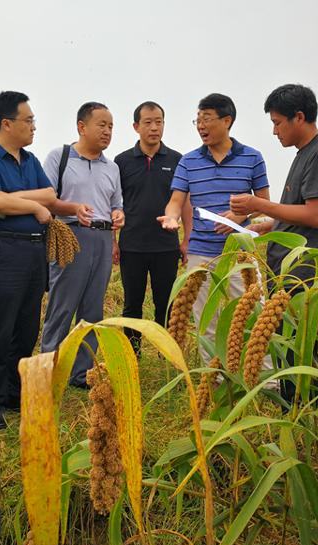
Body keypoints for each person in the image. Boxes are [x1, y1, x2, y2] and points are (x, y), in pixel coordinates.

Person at [0, 91, 56, 430]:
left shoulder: (31, 161)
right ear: (7, 123)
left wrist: (10, 198)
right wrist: (31, 206)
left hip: (34, 251)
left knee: (26, 327)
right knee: (0, 328)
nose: (34, 126)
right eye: (28, 120)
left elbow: (50, 195)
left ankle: (14, 391)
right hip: (3, 250)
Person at [159, 93, 270, 362]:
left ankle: (265, 376)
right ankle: (214, 378)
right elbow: (175, 202)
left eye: (207, 119)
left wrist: (238, 215)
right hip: (200, 252)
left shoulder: (252, 158)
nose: (201, 126)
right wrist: (171, 218)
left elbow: (264, 203)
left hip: (239, 253)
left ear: (227, 120)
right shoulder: (189, 161)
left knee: (253, 312)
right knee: (204, 318)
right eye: (197, 120)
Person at [40, 102, 124, 388]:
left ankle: (80, 373)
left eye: (111, 126)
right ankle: (47, 370)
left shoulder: (111, 168)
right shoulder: (60, 157)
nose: (107, 131)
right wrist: (73, 208)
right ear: (81, 126)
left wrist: (118, 218)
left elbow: (116, 205)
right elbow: (46, 198)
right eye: (102, 124)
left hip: (102, 238)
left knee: (93, 310)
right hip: (69, 237)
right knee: (62, 306)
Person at [230, 84, 318, 281]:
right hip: (289, 271)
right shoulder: (306, 152)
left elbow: (315, 215)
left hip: (304, 275)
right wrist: (267, 227)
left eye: (277, 123)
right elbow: (299, 211)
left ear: (299, 117)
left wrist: (257, 204)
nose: (274, 131)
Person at [113, 101, 191, 354]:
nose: (154, 128)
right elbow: (113, 203)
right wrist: (113, 242)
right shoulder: (122, 161)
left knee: (166, 303)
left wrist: (186, 239)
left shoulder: (177, 160)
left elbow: (185, 203)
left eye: (159, 122)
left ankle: (165, 354)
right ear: (136, 126)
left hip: (165, 245)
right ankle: (131, 355)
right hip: (132, 245)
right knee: (132, 304)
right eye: (148, 122)